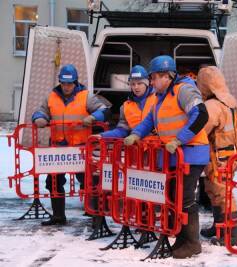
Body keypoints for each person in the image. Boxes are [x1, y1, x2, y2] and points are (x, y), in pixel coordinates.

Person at [124, 55, 209, 259]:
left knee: (186, 198)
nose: (151, 82)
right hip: (173, 155)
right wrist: (136, 134)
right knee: (173, 197)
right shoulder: (158, 97)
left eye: (153, 78)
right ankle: (180, 238)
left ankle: (192, 243)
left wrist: (180, 139)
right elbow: (148, 121)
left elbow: (201, 114)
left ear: (167, 76)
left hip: (190, 153)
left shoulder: (184, 90)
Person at [32, 64, 109, 226]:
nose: (66, 87)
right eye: (64, 83)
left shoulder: (86, 96)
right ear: (60, 81)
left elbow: (104, 109)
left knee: (89, 181)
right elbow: (41, 110)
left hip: (80, 148)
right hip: (58, 148)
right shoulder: (51, 96)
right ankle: (58, 216)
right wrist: (39, 118)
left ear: (75, 82)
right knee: (53, 181)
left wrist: (93, 117)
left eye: (70, 83)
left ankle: (97, 218)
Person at [196, 66, 237, 246]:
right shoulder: (231, 102)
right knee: (216, 191)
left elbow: (201, 130)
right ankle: (219, 227)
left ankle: (232, 234)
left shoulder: (211, 106)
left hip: (218, 156)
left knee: (223, 193)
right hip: (231, 153)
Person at [100, 65, 156, 138]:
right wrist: (102, 136)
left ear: (147, 84)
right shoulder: (125, 107)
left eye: (139, 83)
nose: (136, 87)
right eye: (133, 84)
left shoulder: (157, 100)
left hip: (156, 147)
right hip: (135, 147)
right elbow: (122, 130)